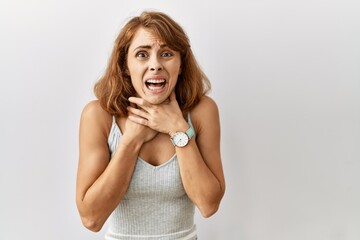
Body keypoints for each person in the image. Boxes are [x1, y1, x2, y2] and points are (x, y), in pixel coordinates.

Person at [76, 11, 225, 240]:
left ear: (181, 64)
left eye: (166, 54)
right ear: (125, 65)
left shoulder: (202, 111)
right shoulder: (98, 116)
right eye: (142, 54)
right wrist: (131, 140)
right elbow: (91, 219)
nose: (155, 65)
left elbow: (208, 205)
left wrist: (178, 129)